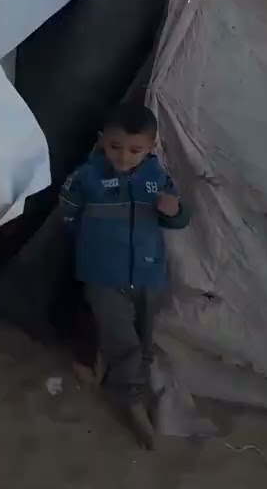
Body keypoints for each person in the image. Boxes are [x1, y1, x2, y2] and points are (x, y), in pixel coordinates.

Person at [56, 103, 190, 449]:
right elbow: (66, 216)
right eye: (116, 147)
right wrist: (90, 249)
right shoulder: (87, 177)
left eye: (135, 150)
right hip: (102, 275)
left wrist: (174, 211)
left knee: (143, 340)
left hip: (148, 274)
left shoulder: (158, 177)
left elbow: (177, 217)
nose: (124, 157)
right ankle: (132, 403)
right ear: (102, 141)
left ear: (150, 148)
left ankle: (121, 378)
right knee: (124, 342)